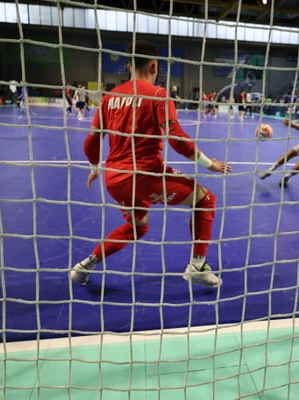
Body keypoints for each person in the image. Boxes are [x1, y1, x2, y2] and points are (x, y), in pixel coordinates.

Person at [70, 39, 232, 288]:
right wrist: (209, 163)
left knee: (137, 228)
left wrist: (94, 168)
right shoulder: (157, 94)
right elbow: (176, 138)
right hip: (145, 176)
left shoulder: (109, 97)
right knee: (206, 200)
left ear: (128, 66)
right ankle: (197, 266)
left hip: (114, 180)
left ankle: (84, 266)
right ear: (154, 66)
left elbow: (91, 141)